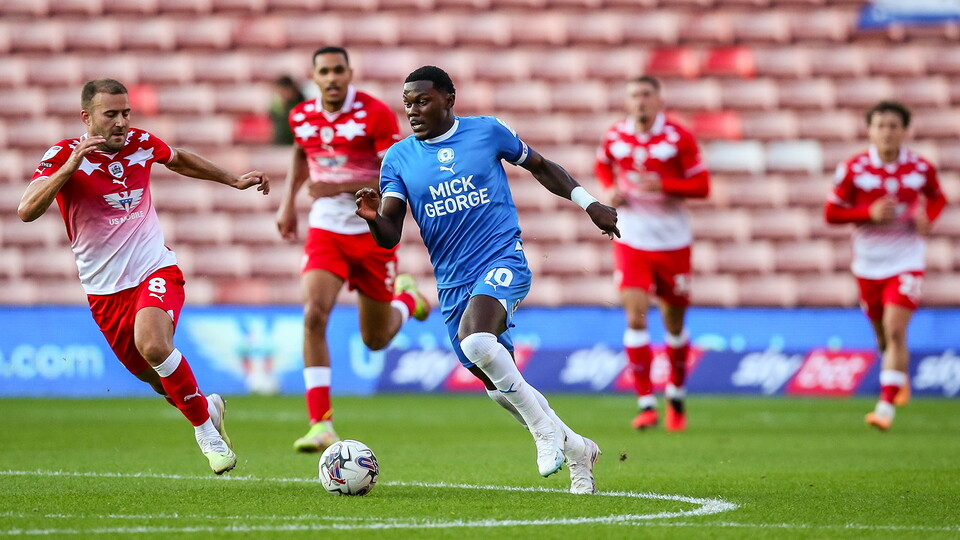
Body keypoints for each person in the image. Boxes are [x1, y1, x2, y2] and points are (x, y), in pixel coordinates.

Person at [355, 65, 619, 494]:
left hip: (502, 259)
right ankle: (578, 451)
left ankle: (544, 434)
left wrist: (589, 204)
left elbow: (541, 165)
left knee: (477, 342)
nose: (413, 110)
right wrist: (372, 219)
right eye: (407, 103)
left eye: (422, 101)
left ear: (448, 100)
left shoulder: (487, 132)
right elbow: (389, 235)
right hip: (453, 282)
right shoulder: (398, 158)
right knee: (498, 383)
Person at [17, 78, 270, 474]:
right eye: (111, 114)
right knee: (156, 379)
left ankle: (207, 436)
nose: (122, 122)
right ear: (87, 118)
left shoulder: (141, 142)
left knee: (154, 344)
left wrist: (233, 180)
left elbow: (180, 158)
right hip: (105, 292)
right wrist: (70, 167)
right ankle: (207, 409)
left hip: (154, 269)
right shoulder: (63, 155)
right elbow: (27, 210)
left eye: (126, 113)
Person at [275, 46, 431, 453]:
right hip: (326, 232)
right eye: (324, 71)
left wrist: (340, 187)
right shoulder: (302, 116)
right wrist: (288, 201)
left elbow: (393, 176)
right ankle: (320, 424)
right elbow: (300, 151)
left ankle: (405, 299)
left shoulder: (375, 113)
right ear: (314, 76)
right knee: (313, 314)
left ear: (349, 73)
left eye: (338, 70)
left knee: (375, 340)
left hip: (371, 234)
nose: (331, 78)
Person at [594, 75, 710, 432]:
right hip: (632, 238)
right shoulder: (616, 135)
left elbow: (702, 186)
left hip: (673, 242)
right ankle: (646, 402)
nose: (640, 101)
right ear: (627, 102)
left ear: (659, 100)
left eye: (646, 94)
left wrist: (667, 185)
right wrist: (610, 189)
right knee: (635, 316)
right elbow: (602, 165)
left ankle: (675, 392)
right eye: (634, 96)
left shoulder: (679, 137)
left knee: (674, 325)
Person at [825, 100, 946, 432]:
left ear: (905, 130)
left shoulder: (920, 168)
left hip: (906, 259)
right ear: (870, 130)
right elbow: (832, 213)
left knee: (895, 329)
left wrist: (928, 219)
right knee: (882, 335)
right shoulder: (853, 168)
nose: (887, 132)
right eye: (881, 126)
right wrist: (868, 213)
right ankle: (898, 376)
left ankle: (884, 408)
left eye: (894, 126)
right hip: (867, 264)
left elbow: (938, 197)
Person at [269, 75, 305, 145]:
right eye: (279, 92)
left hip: (296, 144)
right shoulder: (277, 104)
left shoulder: (301, 106)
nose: (282, 94)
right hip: (280, 143)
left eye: (284, 91)